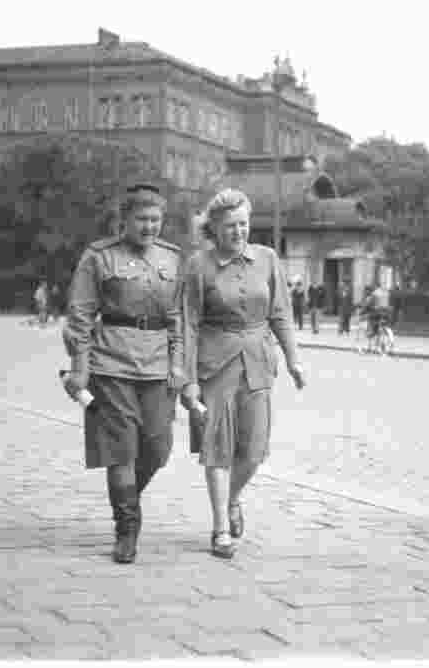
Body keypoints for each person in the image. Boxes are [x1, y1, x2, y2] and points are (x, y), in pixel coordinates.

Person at [62, 183, 185, 565]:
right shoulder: (99, 257)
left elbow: (179, 317)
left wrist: (179, 362)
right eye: (142, 219)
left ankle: (126, 497)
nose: (150, 227)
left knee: (158, 446)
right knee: (121, 449)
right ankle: (127, 528)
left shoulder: (173, 258)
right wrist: (80, 367)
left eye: (156, 220)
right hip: (111, 361)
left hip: (158, 364)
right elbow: (80, 315)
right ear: (124, 221)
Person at [180, 188, 305, 559]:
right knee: (217, 447)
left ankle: (232, 498)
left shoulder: (267, 259)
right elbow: (187, 324)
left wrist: (294, 359)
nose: (239, 232)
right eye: (230, 226)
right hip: (214, 364)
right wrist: (187, 381)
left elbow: (281, 313)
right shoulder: (198, 265)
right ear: (214, 229)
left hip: (257, 360)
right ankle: (220, 528)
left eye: (244, 224)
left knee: (253, 450)